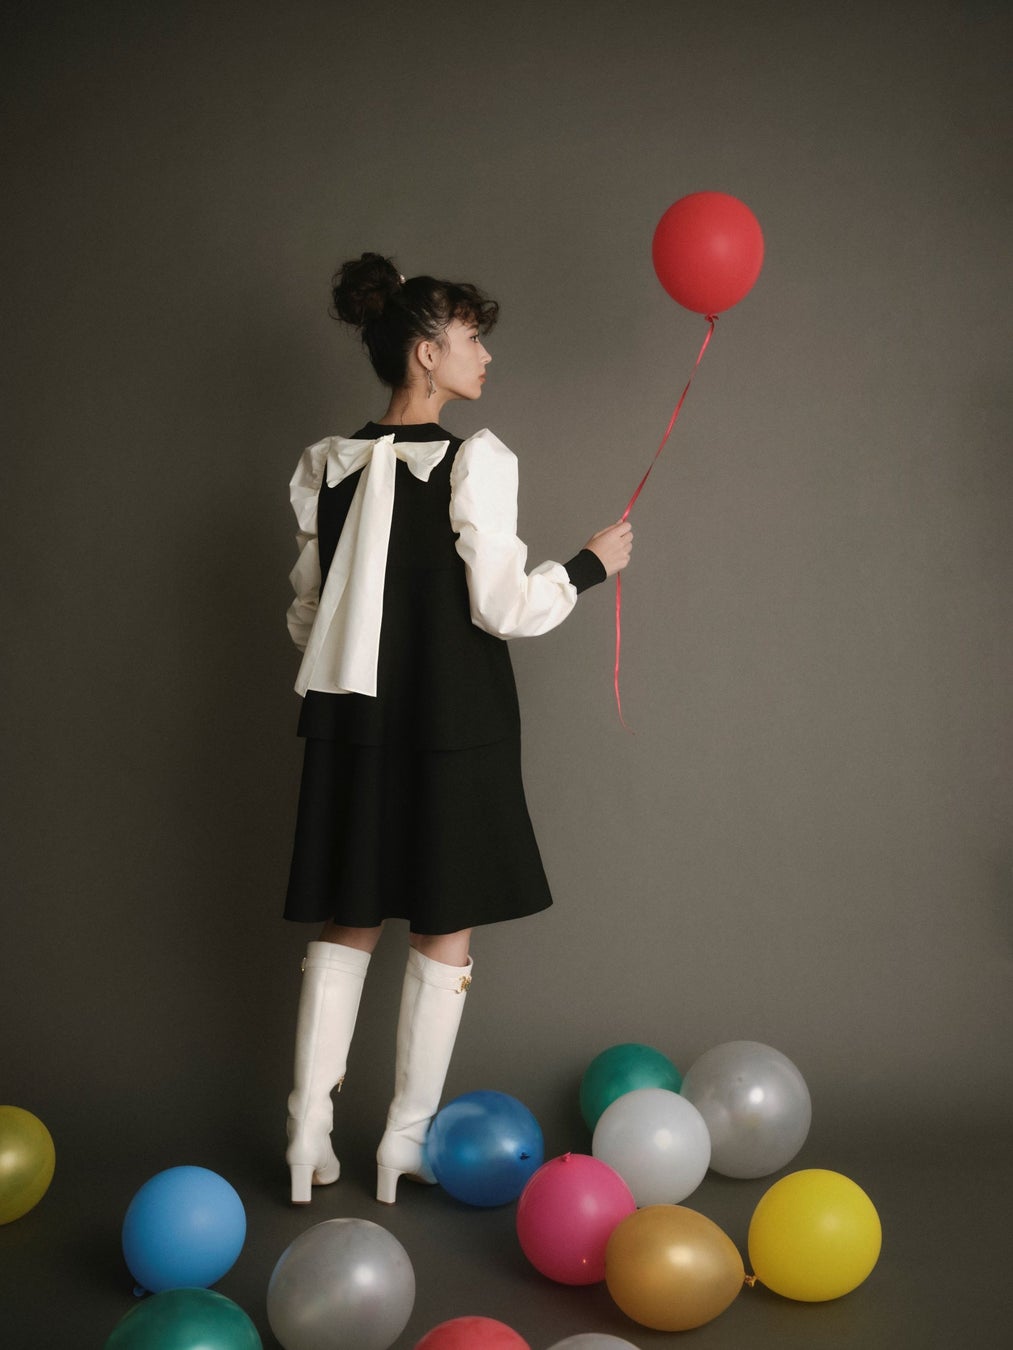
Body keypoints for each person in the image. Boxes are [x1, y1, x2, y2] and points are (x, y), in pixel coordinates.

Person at [282, 252, 633, 1205]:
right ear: (427, 352)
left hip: (352, 718)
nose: (486, 356)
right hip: (454, 719)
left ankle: (306, 1137)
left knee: (350, 913)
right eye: (473, 339)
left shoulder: (326, 465)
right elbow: (502, 606)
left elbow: (309, 616)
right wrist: (587, 566)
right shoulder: (478, 460)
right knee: (444, 919)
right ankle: (401, 1147)